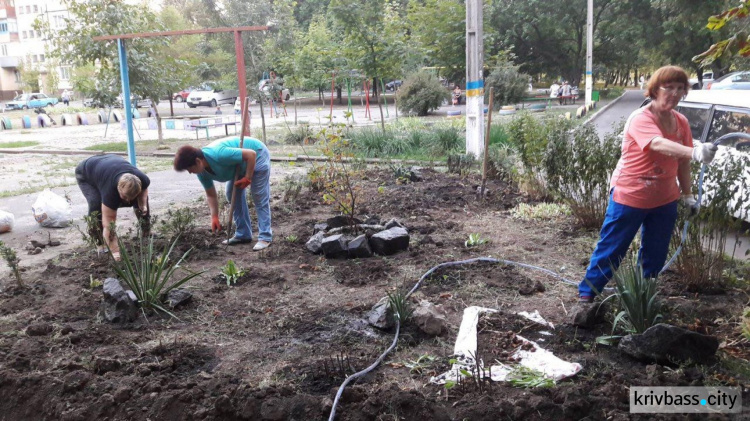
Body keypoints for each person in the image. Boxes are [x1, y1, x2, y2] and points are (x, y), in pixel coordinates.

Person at [575, 65, 719, 310]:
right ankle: (587, 295)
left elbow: (683, 163)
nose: (674, 93)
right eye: (668, 87)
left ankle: (643, 295)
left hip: (665, 199)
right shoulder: (641, 118)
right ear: (655, 89)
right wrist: (695, 151)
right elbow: (657, 144)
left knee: (655, 251)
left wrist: (687, 195)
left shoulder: (681, 121)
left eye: (679, 88)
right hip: (630, 195)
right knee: (612, 247)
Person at [173, 137, 272, 250]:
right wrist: (214, 216)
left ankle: (265, 237)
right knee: (231, 193)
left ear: (198, 161)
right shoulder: (201, 173)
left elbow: (251, 154)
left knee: (259, 196)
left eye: (189, 169)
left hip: (257, 155)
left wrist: (248, 177)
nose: (190, 172)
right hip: (239, 165)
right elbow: (211, 195)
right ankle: (243, 234)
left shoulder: (218, 154)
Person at [75, 154, 151, 260]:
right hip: (87, 172)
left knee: (139, 203)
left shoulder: (143, 179)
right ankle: (100, 244)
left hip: (109, 163)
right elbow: (109, 225)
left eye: (130, 198)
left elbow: (144, 191)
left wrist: (142, 205)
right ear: (118, 188)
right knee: (96, 205)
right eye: (125, 197)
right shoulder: (110, 192)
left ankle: (146, 233)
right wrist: (115, 252)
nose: (128, 201)